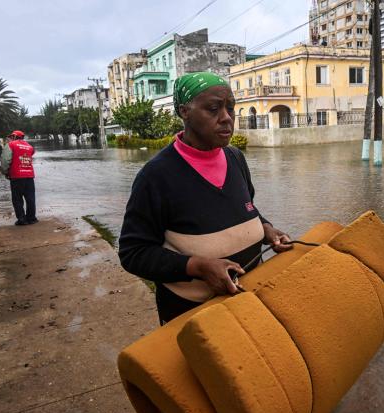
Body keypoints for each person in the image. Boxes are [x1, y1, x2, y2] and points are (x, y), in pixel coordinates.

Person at [119, 72, 292, 325]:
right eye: (213, 109)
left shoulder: (235, 158)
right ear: (184, 112)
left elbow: (246, 208)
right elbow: (133, 253)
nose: (226, 118)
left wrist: (266, 229)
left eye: (230, 108)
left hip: (248, 299)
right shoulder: (156, 176)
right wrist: (196, 266)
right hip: (192, 315)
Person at [1, 130, 38, 226]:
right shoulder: (29, 146)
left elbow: (5, 160)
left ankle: (22, 219)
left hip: (17, 176)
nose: (9, 138)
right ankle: (32, 218)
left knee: (17, 199)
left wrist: (5, 172)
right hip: (29, 175)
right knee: (30, 198)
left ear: (14, 136)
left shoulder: (11, 145)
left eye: (11, 137)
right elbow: (31, 153)